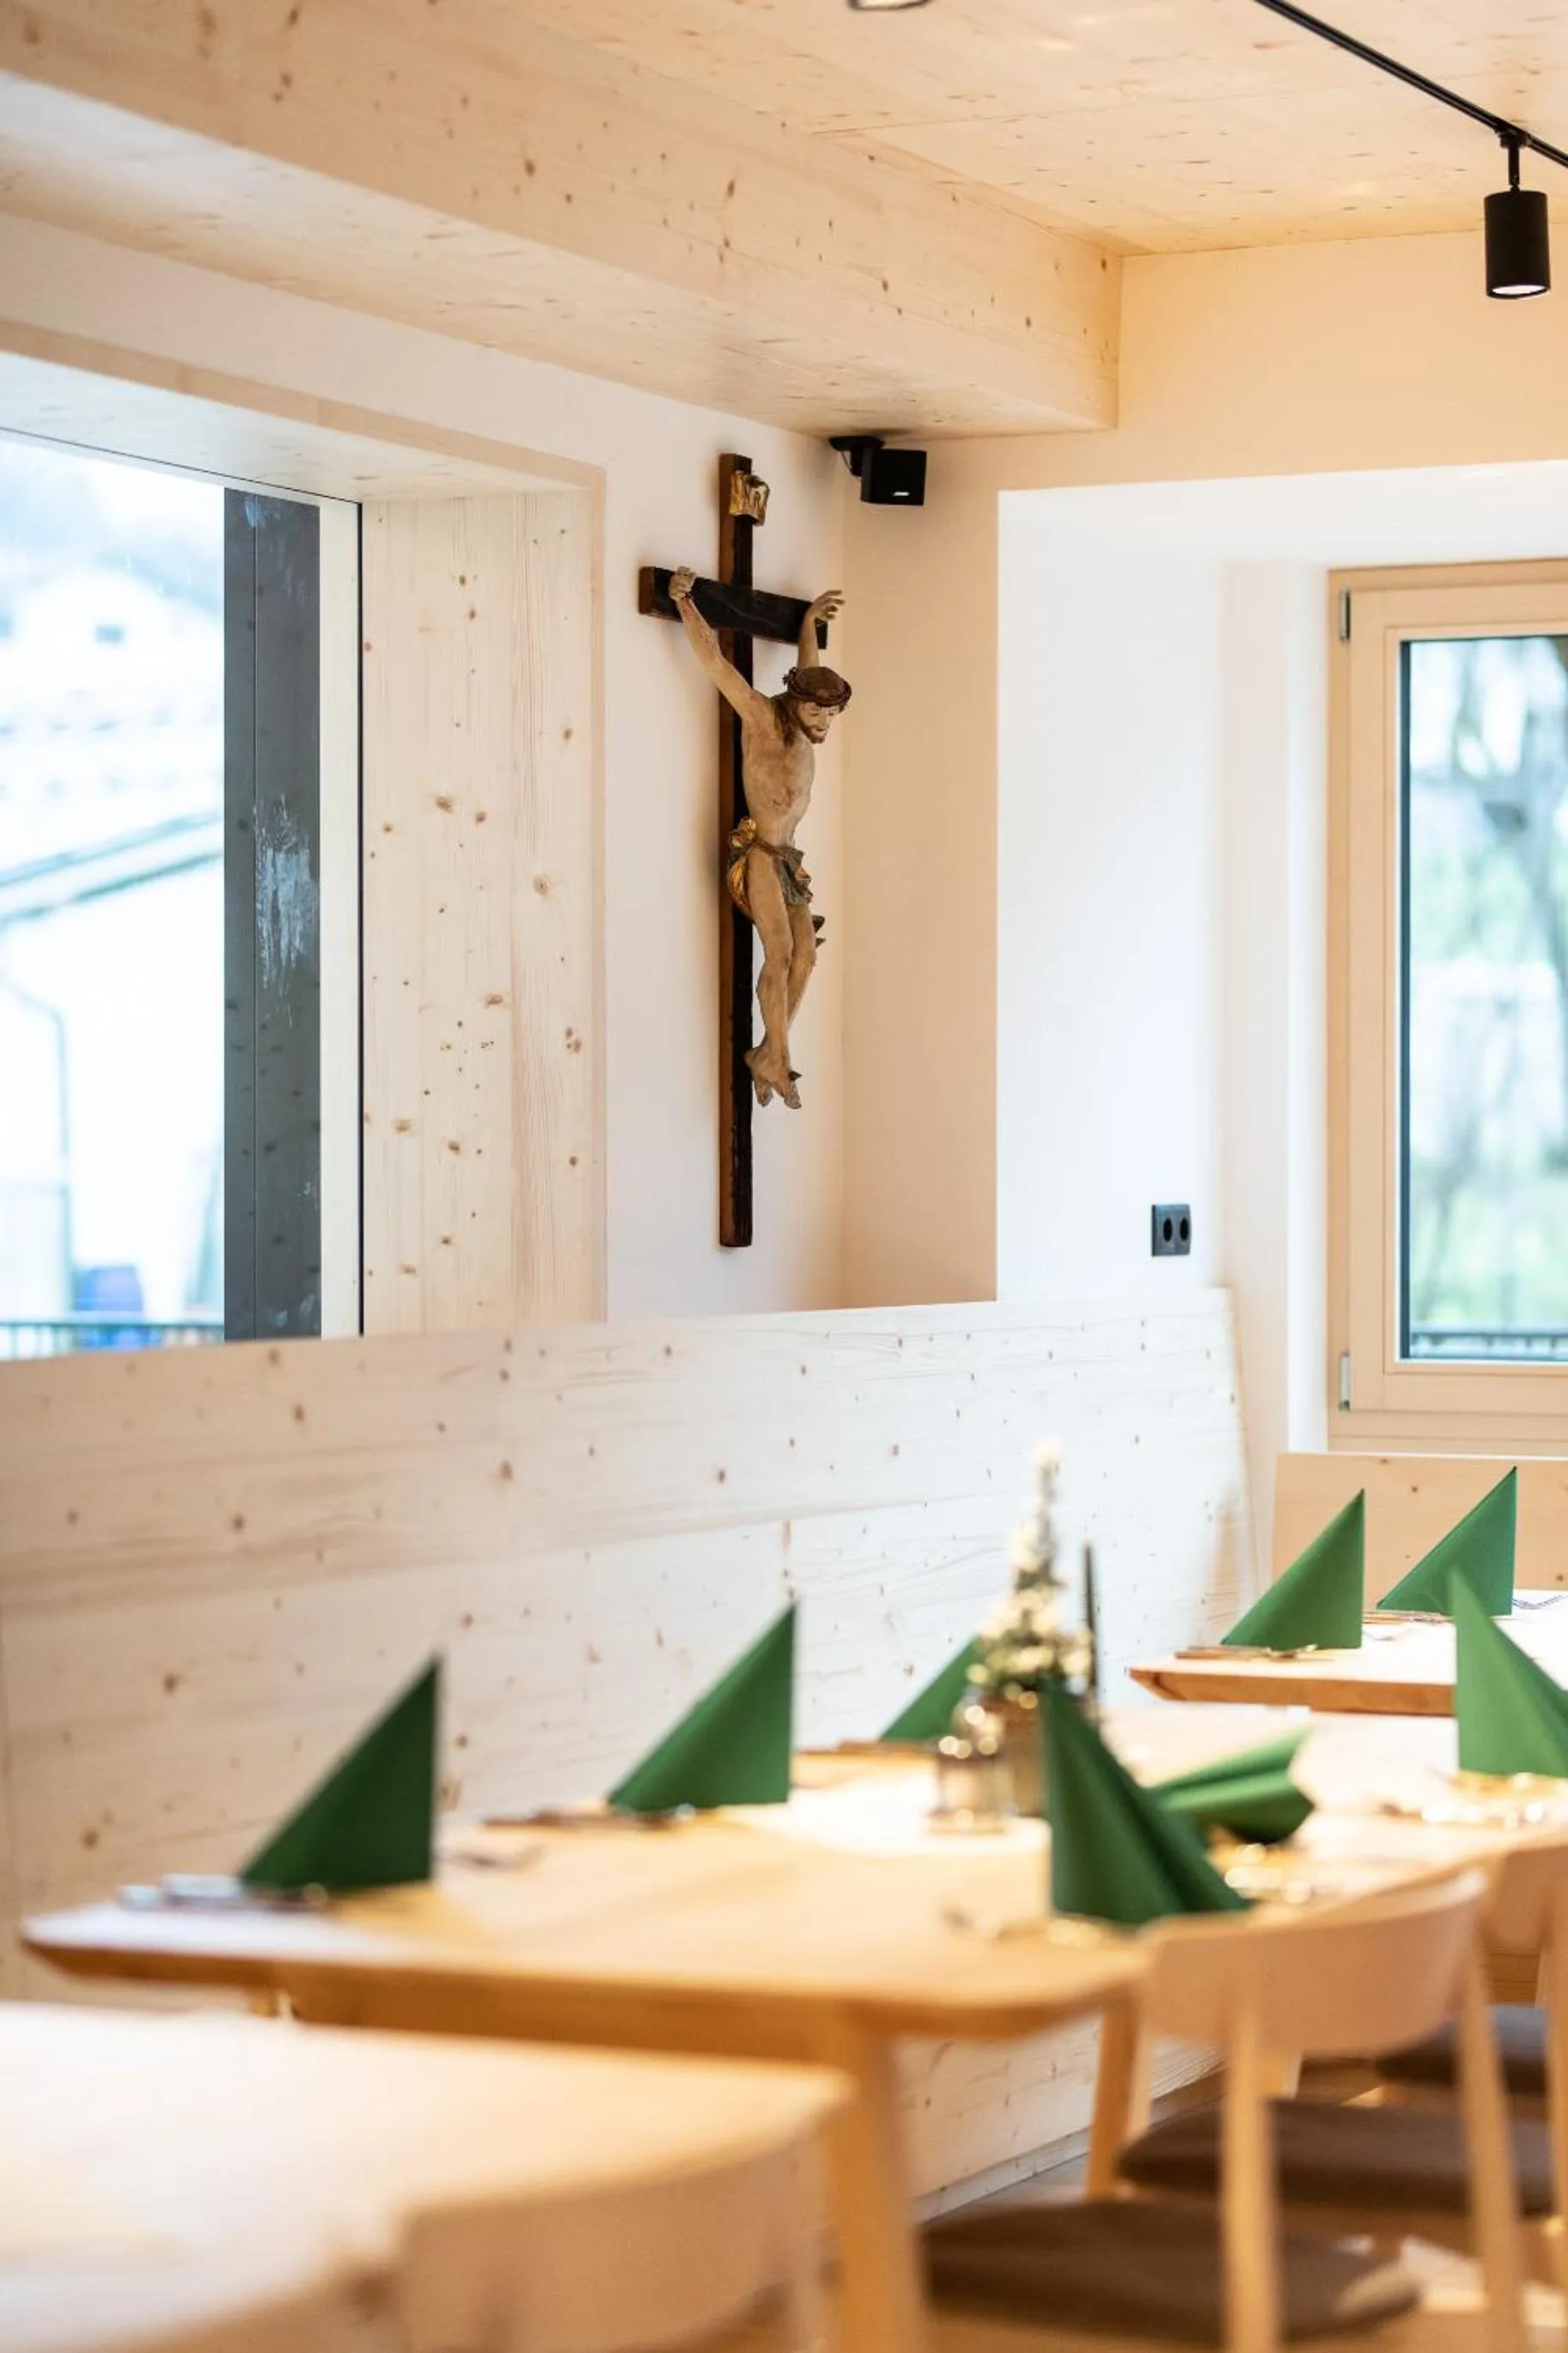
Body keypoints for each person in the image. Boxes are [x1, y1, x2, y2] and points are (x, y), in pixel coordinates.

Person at [668, 566, 849, 1109]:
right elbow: (716, 664)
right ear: (795, 703)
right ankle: (776, 1054)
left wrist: (809, 625)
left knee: (808, 957)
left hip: (789, 859)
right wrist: (685, 604)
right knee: (782, 950)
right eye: (818, 711)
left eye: (833, 715)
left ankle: (772, 1051)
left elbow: (805, 670)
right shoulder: (764, 720)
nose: (825, 723)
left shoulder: (803, 721)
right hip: (762, 855)